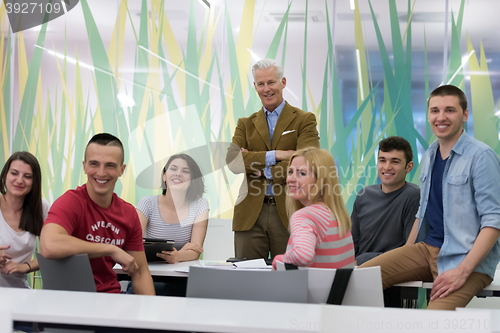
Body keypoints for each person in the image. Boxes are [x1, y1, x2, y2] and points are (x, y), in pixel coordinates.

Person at [360, 85, 500, 310]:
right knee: (357, 282)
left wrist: (462, 271)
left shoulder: (481, 156)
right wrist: (404, 253)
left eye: (450, 110)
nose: (441, 117)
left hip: (466, 259)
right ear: (428, 115)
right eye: (435, 110)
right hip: (426, 249)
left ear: (465, 115)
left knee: (430, 323)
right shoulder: (431, 153)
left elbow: (493, 221)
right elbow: (422, 212)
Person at [226, 58, 320, 260]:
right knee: (247, 279)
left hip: (290, 210)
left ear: (283, 82)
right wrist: (278, 155)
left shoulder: (304, 120)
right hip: (250, 214)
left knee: (290, 279)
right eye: (261, 84)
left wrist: (262, 169)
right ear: (255, 86)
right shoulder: (245, 124)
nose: (266, 89)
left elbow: (308, 161)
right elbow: (233, 161)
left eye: (271, 82)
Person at [40, 133, 154, 294]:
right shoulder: (70, 202)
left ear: (122, 170)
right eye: (94, 164)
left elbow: (140, 272)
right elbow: (49, 245)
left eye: (110, 165)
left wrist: (150, 316)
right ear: (85, 166)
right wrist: (111, 249)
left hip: (110, 299)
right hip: (67, 302)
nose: (101, 173)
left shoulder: (128, 213)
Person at [351, 136, 420, 307]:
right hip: (358, 275)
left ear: (409, 167)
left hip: (394, 281)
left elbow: (409, 252)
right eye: (382, 160)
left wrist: (363, 259)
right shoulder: (364, 195)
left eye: (395, 161)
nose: (387, 167)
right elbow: (352, 242)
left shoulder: (414, 196)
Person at [135, 153, 209, 296]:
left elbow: (196, 250)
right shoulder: (147, 203)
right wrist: (183, 252)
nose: (178, 174)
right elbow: (135, 244)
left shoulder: (200, 204)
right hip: (147, 274)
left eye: (185, 171)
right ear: (164, 176)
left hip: (180, 278)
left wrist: (178, 256)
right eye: (173, 169)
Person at [272, 147, 355, 269]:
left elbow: (303, 255)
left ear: (320, 180)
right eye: (290, 172)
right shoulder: (337, 216)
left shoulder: (305, 216)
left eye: (302, 173)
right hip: (334, 288)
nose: (290, 179)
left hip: (309, 288)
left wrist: (278, 260)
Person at [0, 152, 49, 288]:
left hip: (19, 293)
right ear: (5, 175)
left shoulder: (41, 207)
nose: (20, 180)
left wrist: (25, 266)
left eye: (27, 176)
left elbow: (53, 251)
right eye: (14, 173)